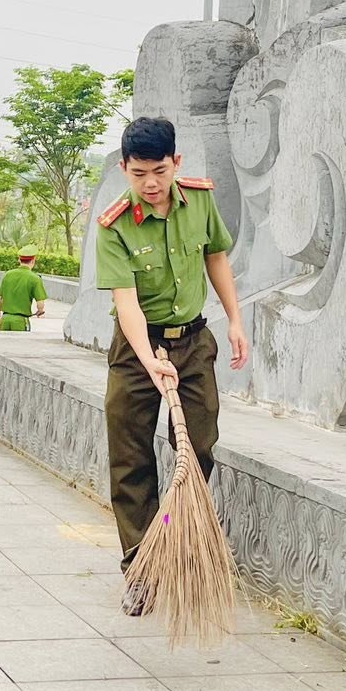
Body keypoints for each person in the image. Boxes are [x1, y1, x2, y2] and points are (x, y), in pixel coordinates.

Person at [93, 117, 248, 615]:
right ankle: (140, 568)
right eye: (139, 174)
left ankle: (171, 538)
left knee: (197, 449)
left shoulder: (199, 200)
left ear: (176, 163)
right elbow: (127, 304)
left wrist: (235, 320)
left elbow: (216, 258)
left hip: (193, 342)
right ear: (124, 169)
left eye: (159, 171)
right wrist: (150, 363)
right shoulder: (115, 226)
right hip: (136, 349)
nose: (151, 184)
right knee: (130, 458)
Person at [0, 248, 48, 330]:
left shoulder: (8, 275)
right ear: (33, 261)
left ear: (19, 260)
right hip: (21, 321)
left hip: (5, 319)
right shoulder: (35, 278)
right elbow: (40, 304)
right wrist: (40, 310)